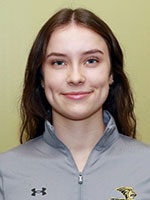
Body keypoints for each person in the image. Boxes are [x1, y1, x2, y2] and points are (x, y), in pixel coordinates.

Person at [0, 8, 150, 200]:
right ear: (42, 77)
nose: (76, 77)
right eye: (59, 63)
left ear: (111, 73)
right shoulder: (5, 172)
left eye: (91, 60)